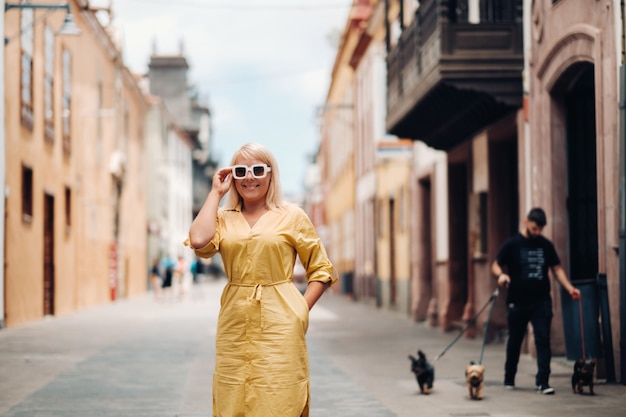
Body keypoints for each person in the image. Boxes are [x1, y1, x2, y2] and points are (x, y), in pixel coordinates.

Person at [185, 142, 336, 417]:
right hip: (234, 322)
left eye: (257, 169)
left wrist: (300, 311)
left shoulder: (292, 216)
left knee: (280, 393)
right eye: (241, 171)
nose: (249, 177)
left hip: (282, 322)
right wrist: (215, 193)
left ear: (270, 174)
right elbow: (198, 240)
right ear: (233, 176)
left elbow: (321, 270)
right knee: (233, 391)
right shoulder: (222, 218)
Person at [491, 207, 581, 395]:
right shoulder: (512, 244)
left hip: (541, 302)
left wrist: (570, 288)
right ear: (526, 222)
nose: (537, 232)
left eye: (540, 229)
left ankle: (543, 382)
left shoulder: (546, 245)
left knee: (542, 340)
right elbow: (496, 264)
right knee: (515, 341)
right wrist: (501, 275)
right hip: (517, 302)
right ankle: (509, 377)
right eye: (534, 228)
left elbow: (557, 269)